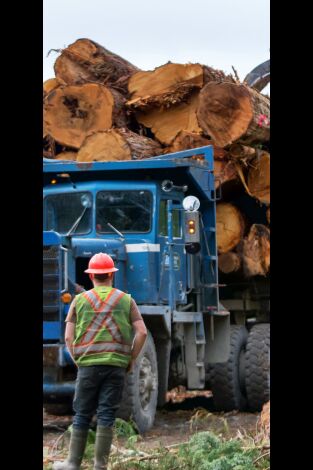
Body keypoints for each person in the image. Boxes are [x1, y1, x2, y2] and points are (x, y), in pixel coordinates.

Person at [53, 252, 148, 470]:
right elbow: (141, 332)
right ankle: (99, 466)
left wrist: (78, 359)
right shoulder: (126, 299)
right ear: (111, 275)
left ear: (92, 276)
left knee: (83, 412)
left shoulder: (79, 300)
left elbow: (68, 336)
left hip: (88, 364)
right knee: (107, 413)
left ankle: (72, 463)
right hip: (116, 365)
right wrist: (130, 358)